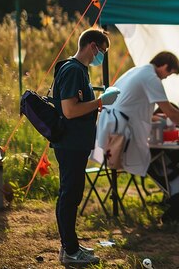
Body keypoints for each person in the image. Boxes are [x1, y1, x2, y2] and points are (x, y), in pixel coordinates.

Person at [52, 28, 119, 265]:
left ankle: (70, 246)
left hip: (76, 143)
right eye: (102, 51)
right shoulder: (73, 70)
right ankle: (69, 250)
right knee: (70, 194)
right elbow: (69, 111)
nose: (101, 56)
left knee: (72, 194)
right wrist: (101, 101)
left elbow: (78, 106)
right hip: (70, 143)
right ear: (92, 46)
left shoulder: (79, 70)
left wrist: (97, 103)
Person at [93, 51, 179, 178]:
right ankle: (174, 182)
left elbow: (128, 105)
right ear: (164, 66)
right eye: (169, 74)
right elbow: (171, 112)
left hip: (109, 124)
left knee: (146, 155)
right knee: (150, 157)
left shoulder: (136, 71)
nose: (166, 78)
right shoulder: (151, 77)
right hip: (120, 131)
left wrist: (152, 117)